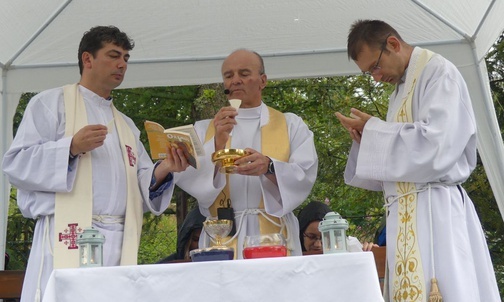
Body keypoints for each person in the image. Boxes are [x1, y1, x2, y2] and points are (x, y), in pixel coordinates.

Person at [2, 26, 189, 302]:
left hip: (118, 242)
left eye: (126, 58)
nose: (121, 64)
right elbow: (16, 165)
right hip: (69, 236)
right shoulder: (50, 104)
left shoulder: (125, 125)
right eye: (114, 55)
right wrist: (71, 148)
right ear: (87, 59)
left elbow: (139, 179)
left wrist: (165, 169)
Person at [335, 19, 500, 301]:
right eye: (368, 73)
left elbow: (438, 145)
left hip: (436, 212)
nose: (375, 77)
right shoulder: (400, 92)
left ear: (393, 44)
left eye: (374, 66)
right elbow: (401, 156)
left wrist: (376, 132)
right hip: (406, 215)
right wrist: (367, 140)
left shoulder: (438, 73)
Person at [174, 49, 318, 258]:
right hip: (222, 233)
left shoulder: (290, 124)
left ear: (263, 80)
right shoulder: (204, 129)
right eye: (229, 76)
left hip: (273, 232)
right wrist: (216, 143)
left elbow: (305, 173)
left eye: (244, 73)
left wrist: (269, 167)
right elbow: (187, 176)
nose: (236, 81)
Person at [297, 201, 376, 253]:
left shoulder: (349, 247)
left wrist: (369, 249)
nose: (318, 244)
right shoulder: (290, 254)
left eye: (325, 237)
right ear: (300, 235)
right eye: (311, 236)